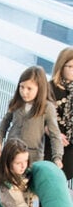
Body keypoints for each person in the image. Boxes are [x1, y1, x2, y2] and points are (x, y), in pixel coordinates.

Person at [0, 66, 63, 168]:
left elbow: (55, 135)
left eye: (29, 88)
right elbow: (5, 122)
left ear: (40, 88)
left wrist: (57, 157)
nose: (24, 92)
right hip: (11, 152)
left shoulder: (47, 108)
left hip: (32, 158)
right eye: (22, 87)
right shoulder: (16, 102)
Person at [44, 47, 73, 181]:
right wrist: (53, 133)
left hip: (70, 146)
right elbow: (36, 116)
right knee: (48, 179)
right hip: (50, 143)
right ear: (61, 66)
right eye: (71, 66)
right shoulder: (49, 88)